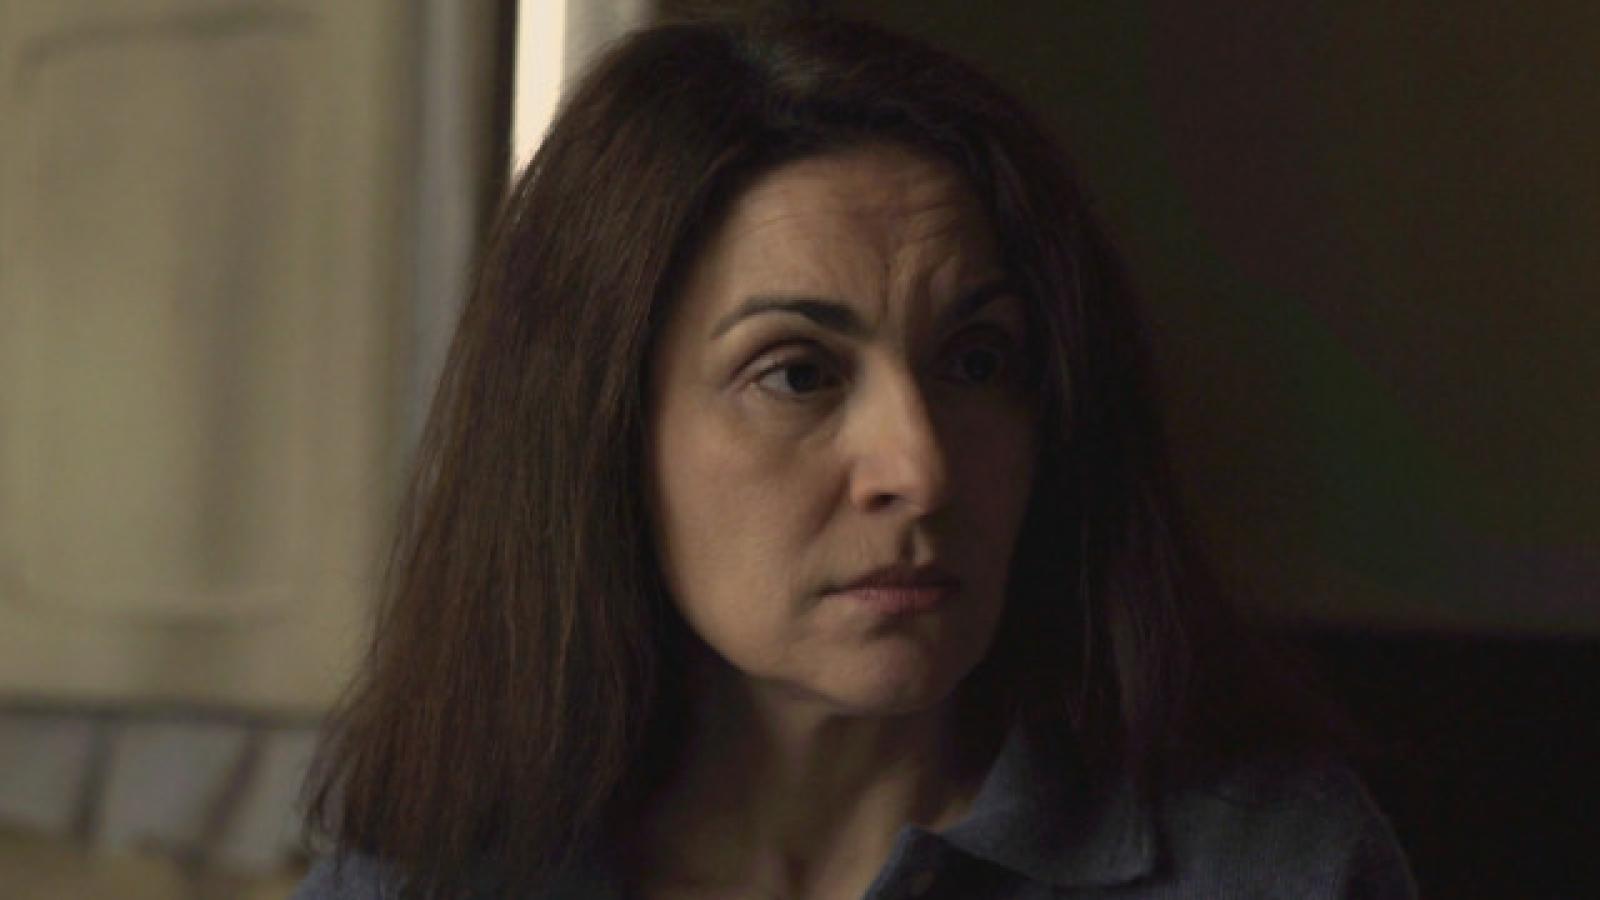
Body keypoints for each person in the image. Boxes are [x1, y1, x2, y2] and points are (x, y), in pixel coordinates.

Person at [296, 11, 1415, 900]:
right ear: (599, 432)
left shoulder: (1265, 869)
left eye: (976, 362)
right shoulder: (420, 882)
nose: (919, 470)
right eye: (797, 374)